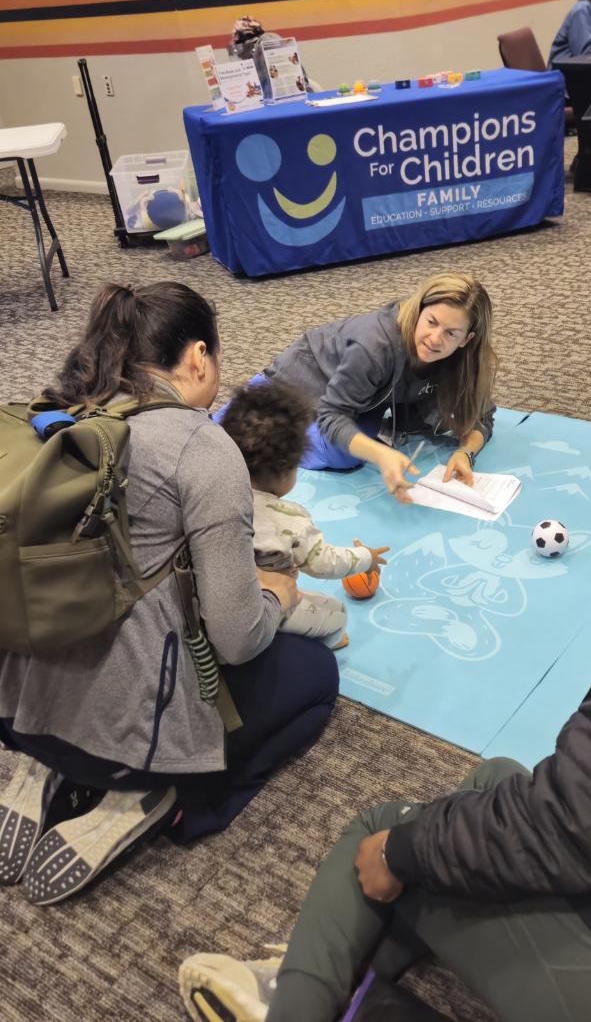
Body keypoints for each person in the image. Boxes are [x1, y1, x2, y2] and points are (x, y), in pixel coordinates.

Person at [179, 433, 591, 1022]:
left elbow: (567, 832)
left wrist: (406, 852)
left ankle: (294, 1003)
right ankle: (347, 978)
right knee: (498, 776)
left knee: (385, 834)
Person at [0, 282, 339, 904]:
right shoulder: (202, 447)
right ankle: (170, 800)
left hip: (14, 709)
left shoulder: (53, 410)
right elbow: (236, 640)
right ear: (198, 356)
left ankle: (38, 761)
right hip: (126, 746)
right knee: (314, 676)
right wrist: (278, 599)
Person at [222, 273, 497, 506]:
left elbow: (480, 416)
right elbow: (333, 415)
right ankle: (235, 418)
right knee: (342, 454)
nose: (435, 339)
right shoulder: (375, 345)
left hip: (363, 398)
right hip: (296, 384)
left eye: (451, 333)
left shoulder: (464, 360)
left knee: (381, 436)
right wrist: (381, 455)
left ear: (466, 339)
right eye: (431, 322)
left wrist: (465, 453)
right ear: (419, 310)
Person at [219, 381, 389, 651]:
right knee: (336, 612)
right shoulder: (288, 519)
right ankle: (329, 643)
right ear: (288, 470)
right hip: (262, 609)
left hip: (216, 602)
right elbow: (325, 563)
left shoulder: (214, 495)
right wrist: (366, 557)